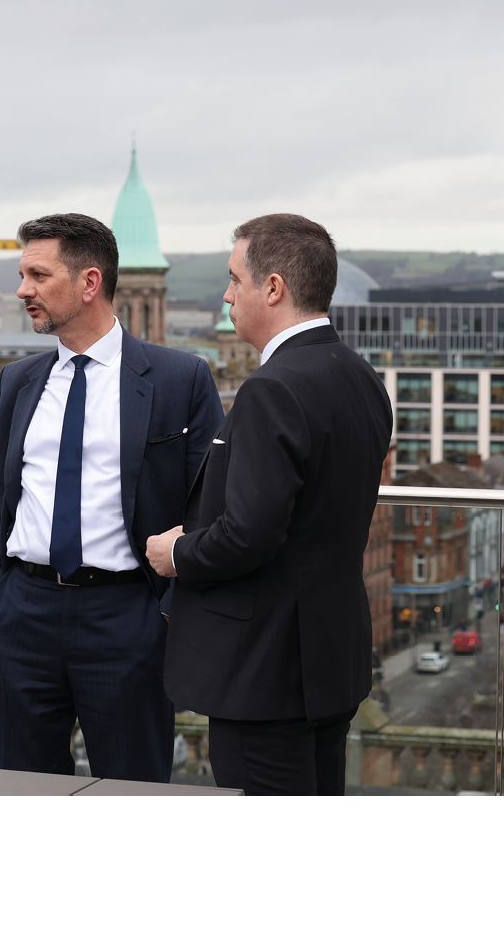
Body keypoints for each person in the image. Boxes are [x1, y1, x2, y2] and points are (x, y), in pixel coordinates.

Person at [0, 213, 224, 781]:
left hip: (128, 618)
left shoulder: (180, 378)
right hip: (21, 616)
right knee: (23, 790)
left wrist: (161, 613)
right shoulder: (18, 380)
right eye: (22, 274)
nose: (22, 290)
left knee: (131, 793)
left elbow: (207, 506)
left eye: (38, 274)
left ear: (89, 282)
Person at [146, 214, 392, 795]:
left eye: (234, 279)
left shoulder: (273, 388)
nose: (226, 295)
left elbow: (249, 535)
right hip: (330, 659)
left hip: (266, 672)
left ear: (274, 288)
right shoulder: (362, 378)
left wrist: (176, 552)